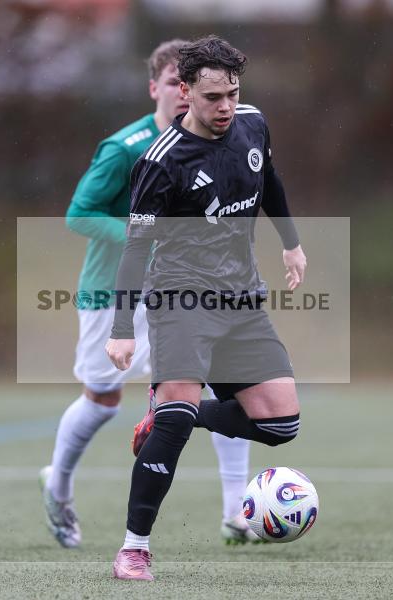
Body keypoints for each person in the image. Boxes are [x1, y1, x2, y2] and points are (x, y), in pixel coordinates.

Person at [39, 39, 255, 550]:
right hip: (113, 295)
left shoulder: (214, 142)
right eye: (176, 85)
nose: (187, 96)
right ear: (157, 87)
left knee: (221, 387)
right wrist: (144, 238)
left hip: (184, 294)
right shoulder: (125, 148)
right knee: (102, 401)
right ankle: (58, 487)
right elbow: (79, 215)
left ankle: (234, 514)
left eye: (194, 86)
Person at [106, 35, 308, 582]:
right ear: (185, 92)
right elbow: (136, 247)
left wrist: (290, 242)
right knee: (176, 416)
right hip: (179, 299)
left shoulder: (252, 123)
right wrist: (123, 328)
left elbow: (269, 180)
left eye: (232, 94)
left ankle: (171, 414)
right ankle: (134, 549)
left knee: (282, 422)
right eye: (213, 96)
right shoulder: (160, 162)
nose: (224, 107)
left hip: (241, 298)